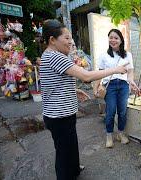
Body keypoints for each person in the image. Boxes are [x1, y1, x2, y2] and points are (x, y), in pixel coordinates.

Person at [40, 19, 128, 180]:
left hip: (64, 113)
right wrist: (115, 69)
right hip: (58, 115)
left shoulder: (50, 56)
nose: (70, 41)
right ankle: (66, 175)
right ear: (52, 40)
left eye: (70, 38)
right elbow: (86, 76)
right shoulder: (55, 56)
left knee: (71, 145)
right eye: (66, 38)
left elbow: (52, 84)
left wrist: (74, 90)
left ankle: (74, 169)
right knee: (63, 151)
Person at [94, 29, 141, 148]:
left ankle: (120, 133)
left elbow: (130, 72)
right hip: (110, 86)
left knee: (122, 112)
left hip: (124, 86)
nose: (113, 40)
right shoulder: (104, 55)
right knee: (110, 112)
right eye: (111, 37)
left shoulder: (127, 55)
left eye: (116, 38)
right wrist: (96, 87)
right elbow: (99, 73)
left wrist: (131, 82)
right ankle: (109, 136)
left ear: (121, 40)